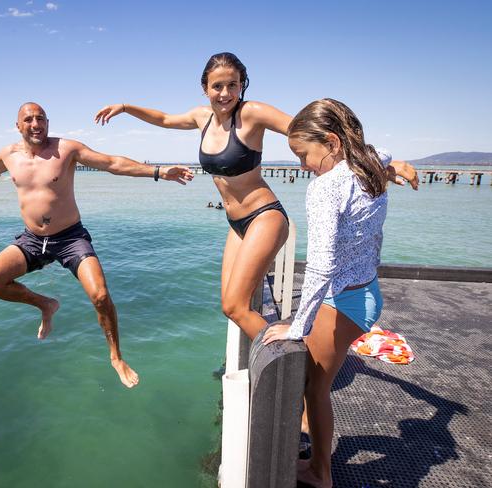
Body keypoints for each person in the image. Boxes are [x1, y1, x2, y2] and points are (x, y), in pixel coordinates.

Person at [95, 52, 417, 342]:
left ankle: (288, 363)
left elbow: (317, 132)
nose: (225, 94)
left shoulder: (253, 113)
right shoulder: (200, 117)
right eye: (217, 86)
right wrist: (125, 107)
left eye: (232, 85)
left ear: (242, 85)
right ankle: (287, 357)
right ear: (205, 88)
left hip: (264, 216)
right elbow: (164, 119)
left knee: (236, 305)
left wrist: (380, 163)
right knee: (230, 304)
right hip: (235, 223)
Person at [0, 102, 193, 389]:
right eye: (29, 119)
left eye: (40, 118)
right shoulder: (9, 155)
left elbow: (111, 163)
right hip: (32, 240)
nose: (35, 124)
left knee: (100, 295)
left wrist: (157, 171)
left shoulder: (67, 149)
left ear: (47, 122)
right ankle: (45, 304)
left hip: (70, 237)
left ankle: (116, 357)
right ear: (18, 126)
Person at [262, 98, 398, 487]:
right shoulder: (370, 162)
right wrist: (399, 165)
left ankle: (321, 472)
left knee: (315, 388)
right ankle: (316, 456)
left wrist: (296, 327)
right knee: (314, 382)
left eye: (304, 154)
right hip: (365, 290)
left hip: (344, 299)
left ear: (333, 142)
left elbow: (320, 265)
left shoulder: (326, 188)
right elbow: (385, 151)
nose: (301, 165)